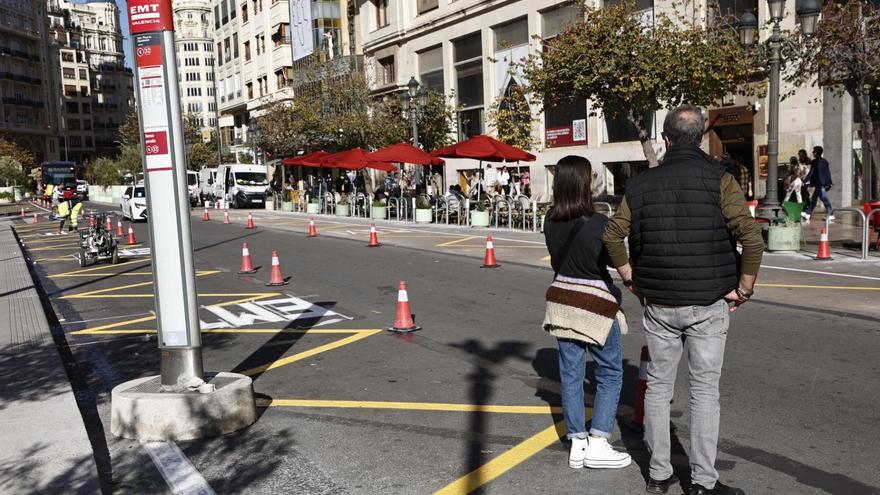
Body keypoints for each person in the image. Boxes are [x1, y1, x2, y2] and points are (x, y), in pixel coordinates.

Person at [603, 105, 763, 495]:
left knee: (658, 387)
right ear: (703, 138)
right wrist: (743, 288)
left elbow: (612, 236)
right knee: (705, 391)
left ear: (667, 140)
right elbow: (752, 239)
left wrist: (631, 281)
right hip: (709, 301)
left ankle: (659, 475)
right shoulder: (720, 179)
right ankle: (704, 482)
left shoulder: (641, 185)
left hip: (659, 303)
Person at [543, 155, 632, 472]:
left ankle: (577, 442)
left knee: (570, 373)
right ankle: (598, 443)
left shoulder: (549, 221)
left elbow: (558, 262)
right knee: (609, 372)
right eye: (591, 175)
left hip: (562, 302)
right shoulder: (598, 224)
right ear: (583, 183)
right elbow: (613, 262)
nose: (594, 180)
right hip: (595, 305)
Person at [801, 146, 834, 221]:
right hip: (822, 183)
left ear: (817, 152)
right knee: (814, 199)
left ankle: (831, 213)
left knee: (824, 199)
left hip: (820, 184)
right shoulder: (824, 161)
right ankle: (808, 213)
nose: (813, 153)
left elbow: (811, 173)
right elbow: (828, 173)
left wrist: (804, 181)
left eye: (814, 151)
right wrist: (830, 182)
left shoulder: (815, 162)